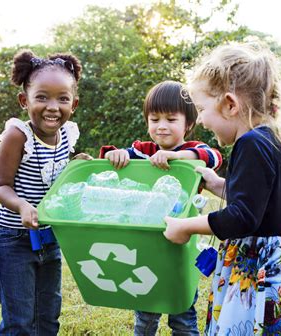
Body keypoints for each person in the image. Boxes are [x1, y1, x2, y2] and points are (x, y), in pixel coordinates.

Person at [163, 43, 281, 335]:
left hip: (264, 266)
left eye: (202, 109)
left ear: (230, 104)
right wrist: (217, 184)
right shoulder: (266, 137)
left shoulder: (250, 144)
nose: (199, 119)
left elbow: (242, 217)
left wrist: (185, 226)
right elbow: (257, 200)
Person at [100, 80, 223, 335]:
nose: (161, 126)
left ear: (188, 124)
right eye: (154, 119)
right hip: (146, 242)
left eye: (170, 119)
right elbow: (114, 157)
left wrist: (175, 156)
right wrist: (116, 155)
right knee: (145, 310)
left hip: (182, 244)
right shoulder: (144, 151)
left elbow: (212, 156)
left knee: (183, 313)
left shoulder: (192, 150)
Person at [0, 49, 82, 335]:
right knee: (20, 320)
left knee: (48, 316)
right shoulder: (18, 135)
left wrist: (78, 166)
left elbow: (59, 179)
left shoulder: (69, 134)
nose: (52, 107)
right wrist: (22, 206)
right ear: (24, 101)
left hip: (49, 238)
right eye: (42, 97)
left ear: (74, 103)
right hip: (13, 238)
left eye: (62, 98)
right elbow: (1, 186)